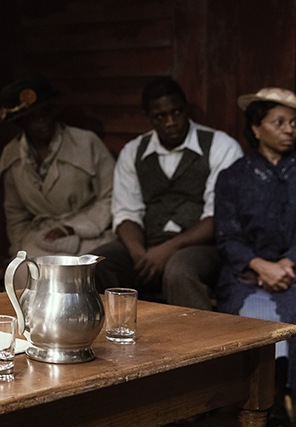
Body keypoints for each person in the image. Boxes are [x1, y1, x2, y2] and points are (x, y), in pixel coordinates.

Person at [215, 87, 296, 427]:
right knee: (244, 312)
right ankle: (253, 396)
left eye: (295, 123)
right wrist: (259, 265)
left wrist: (285, 266)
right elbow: (227, 236)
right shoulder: (232, 177)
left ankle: (279, 397)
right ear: (256, 127)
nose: (289, 129)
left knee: (294, 312)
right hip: (245, 274)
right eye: (279, 122)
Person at [92, 77, 244, 310]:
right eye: (161, 117)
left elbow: (218, 217)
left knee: (179, 271)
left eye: (176, 112)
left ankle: (198, 342)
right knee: (96, 264)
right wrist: (139, 254)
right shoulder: (133, 151)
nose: (171, 122)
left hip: (202, 246)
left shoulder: (221, 146)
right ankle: (108, 334)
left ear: (186, 109)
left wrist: (169, 248)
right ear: (148, 117)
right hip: (147, 242)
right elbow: (126, 212)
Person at [0, 75, 115, 257]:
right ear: (20, 122)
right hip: (40, 238)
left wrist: (72, 228)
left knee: (80, 274)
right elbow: (16, 215)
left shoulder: (86, 143)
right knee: (24, 275)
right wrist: (18, 252)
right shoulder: (11, 156)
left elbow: (112, 196)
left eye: (45, 113)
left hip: (89, 234)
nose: (42, 121)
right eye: (32, 117)